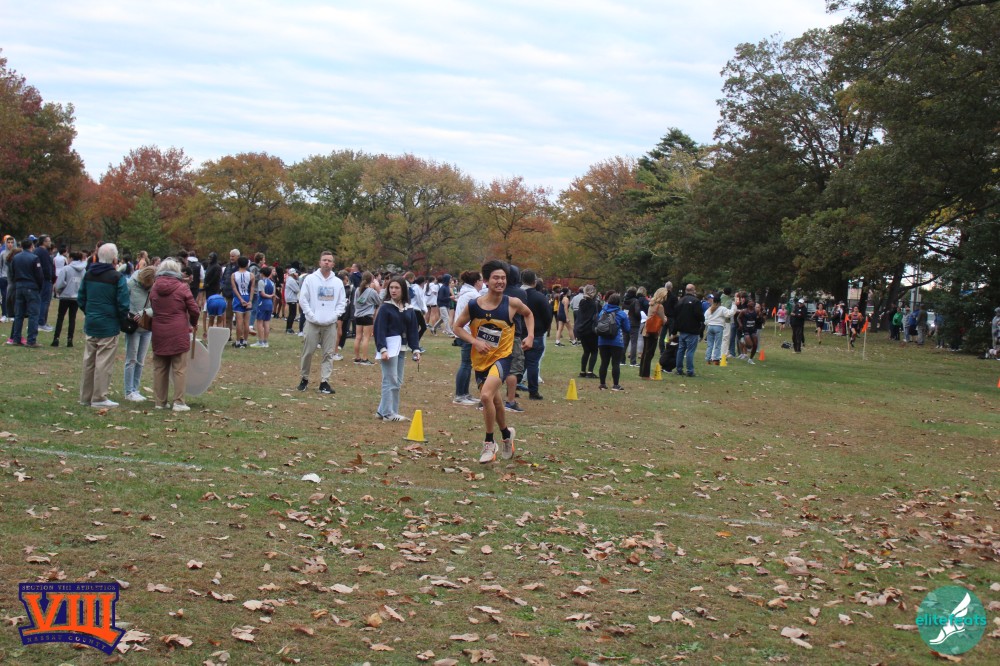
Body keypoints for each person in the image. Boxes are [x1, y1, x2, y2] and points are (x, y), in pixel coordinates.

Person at [452, 260, 534, 464]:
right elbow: (457, 327)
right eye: (496, 278)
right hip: (481, 360)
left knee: (486, 396)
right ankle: (506, 434)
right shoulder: (474, 305)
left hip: (503, 358)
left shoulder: (512, 303)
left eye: (503, 278)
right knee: (495, 402)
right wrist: (474, 341)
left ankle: (489, 442)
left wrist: (530, 335)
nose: (500, 281)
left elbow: (528, 314)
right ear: (487, 281)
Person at [78, 243, 129, 407]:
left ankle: (86, 396)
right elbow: (123, 303)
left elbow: (81, 298)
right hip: (108, 323)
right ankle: (99, 397)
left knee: (89, 360)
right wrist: (122, 320)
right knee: (103, 361)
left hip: (92, 321)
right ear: (114, 259)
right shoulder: (117, 277)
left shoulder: (89, 274)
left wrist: (89, 312)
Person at [149, 258, 199, 411]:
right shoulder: (182, 287)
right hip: (178, 331)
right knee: (179, 368)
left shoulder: (154, 287)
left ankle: (160, 402)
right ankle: (178, 402)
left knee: (160, 368)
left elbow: (152, 306)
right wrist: (193, 322)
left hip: (158, 331)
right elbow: (194, 309)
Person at [372, 276, 421, 422]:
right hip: (389, 349)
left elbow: (413, 330)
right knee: (390, 380)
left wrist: (416, 349)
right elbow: (379, 330)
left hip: (402, 348)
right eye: (391, 288)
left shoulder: (409, 308)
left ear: (403, 290)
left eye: (396, 288)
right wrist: (382, 349)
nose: (393, 290)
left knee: (397, 381)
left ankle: (382, 411)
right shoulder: (385, 308)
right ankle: (389, 413)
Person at [297, 251, 346, 394]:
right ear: (320, 262)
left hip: (330, 324)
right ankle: (304, 379)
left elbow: (342, 302)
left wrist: (334, 316)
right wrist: (311, 315)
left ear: (333, 264)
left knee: (328, 353)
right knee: (308, 352)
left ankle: (325, 382)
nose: (326, 262)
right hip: (312, 323)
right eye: (324, 260)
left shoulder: (337, 282)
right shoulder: (310, 279)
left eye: (329, 261)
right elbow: (303, 299)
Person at [123, 266, 155, 401]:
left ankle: (135, 389)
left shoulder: (155, 287)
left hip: (147, 327)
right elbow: (123, 301)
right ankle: (128, 391)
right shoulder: (131, 284)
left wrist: (145, 312)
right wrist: (128, 313)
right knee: (131, 359)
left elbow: (157, 305)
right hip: (134, 326)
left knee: (140, 360)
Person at [451, 270, 482, 406]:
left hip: (465, 332)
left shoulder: (466, 293)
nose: (482, 283)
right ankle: (459, 395)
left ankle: (465, 393)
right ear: (476, 282)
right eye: (481, 280)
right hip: (468, 333)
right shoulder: (473, 295)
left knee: (468, 364)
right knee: (465, 364)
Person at [521, 269, 552, 400]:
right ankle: (533, 391)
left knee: (517, 362)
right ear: (534, 282)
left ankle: (513, 387)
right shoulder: (540, 297)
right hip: (536, 333)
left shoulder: (516, 295)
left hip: (518, 332)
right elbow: (548, 316)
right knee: (533, 363)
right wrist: (543, 329)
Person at [9, 238, 43, 347]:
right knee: (33, 314)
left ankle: (16, 338)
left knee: (19, 314)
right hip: (31, 286)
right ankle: (31, 340)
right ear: (32, 246)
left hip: (19, 286)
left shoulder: (15, 258)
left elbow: (12, 272)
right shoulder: (34, 258)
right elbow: (39, 275)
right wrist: (39, 286)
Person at [51, 251, 87, 347]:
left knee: (60, 317)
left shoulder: (66, 268)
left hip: (65, 296)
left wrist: (59, 291)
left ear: (71, 258)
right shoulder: (83, 270)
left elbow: (60, 283)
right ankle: (70, 340)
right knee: (72, 318)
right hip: (76, 297)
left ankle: (56, 339)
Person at [595, 293, 629, 390]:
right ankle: (615, 385)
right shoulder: (621, 314)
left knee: (604, 362)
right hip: (616, 341)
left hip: (602, 341)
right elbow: (627, 329)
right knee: (615, 363)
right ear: (618, 302)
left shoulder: (602, 312)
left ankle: (602, 384)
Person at [674, 284, 705, 376]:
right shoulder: (696, 301)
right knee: (690, 351)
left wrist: (675, 329)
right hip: (692, 329)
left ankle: (679, 369)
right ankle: (690, 370)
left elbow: (676, 315)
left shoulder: (680, 301)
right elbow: (699, 315)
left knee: (681, 350)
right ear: (693, 290)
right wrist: (701, 320)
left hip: (682, 329)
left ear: (686, 290)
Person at [352, 271, 379, 364]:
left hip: (358, 316)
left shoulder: (357, 290)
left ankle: (357, 357)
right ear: (371, 280)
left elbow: (355, 303)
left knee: (358, 337)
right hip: (367, 316)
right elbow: (378, 302)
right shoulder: (372, 291)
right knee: (366, 337)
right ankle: (364, 358)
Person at [574, 284, 600, 378]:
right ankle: (590, 371)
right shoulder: (595, 304)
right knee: (594, 351)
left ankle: (582, 371)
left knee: (586, 351)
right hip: (591, 330)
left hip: (582, 329)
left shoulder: (582, 302)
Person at [640, 288, 666, 376]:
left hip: (647, 329)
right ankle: (645, 374)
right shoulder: (660, 306)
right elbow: (663, 320)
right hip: (653, 331)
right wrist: (665, 318)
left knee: (645, 352)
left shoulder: (651, 303)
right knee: (649, 353)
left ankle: (642, 372)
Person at [230, 257, 254, 349]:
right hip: (247, 297)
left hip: (238, 298)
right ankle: (245, 341)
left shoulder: (233, 275)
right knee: (246, 322)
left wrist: (240, 299)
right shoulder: (251, 275)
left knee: (239, 321)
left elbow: (234, 288)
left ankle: (237, 342)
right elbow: (252, 288)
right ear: (247, 264)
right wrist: (250, 300)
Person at [34, 234, 55, 332]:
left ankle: (41, 321)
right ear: (43, 242)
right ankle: (41, 322)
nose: (50, 242)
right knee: (44, 301)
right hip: (45, 280)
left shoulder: (37, 251)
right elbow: (47, 267)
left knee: (41, 301)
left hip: (40, 280)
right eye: (48, 241)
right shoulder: (43, 252)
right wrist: (50, 278)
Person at [702, 293, 731, 365]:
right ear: (720, 302)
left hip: (710, 327)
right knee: (718, 344)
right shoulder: (722, 308)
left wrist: (707, 323)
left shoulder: (709, 309)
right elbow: (728, 314)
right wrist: (734, 307)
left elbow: (705, 317)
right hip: (718, 327)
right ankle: (716, 359)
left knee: (710, 344)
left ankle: (708, 359)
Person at [201, 252, 222, 340]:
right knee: (207, 308)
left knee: (213, 311)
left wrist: (208, 284)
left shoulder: (217, 267)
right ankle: (206, 331)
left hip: (214, 289)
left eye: (211, 257)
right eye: (208, 257)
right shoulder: (209, 266)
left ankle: (215, 331)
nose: (209, 258)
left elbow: (216, 277)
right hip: (208, 290)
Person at [253, 266, 275, 348]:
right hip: (270, 303)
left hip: (262, 303)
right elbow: (273, 294)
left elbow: (262, 293)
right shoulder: (272, 283)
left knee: (259, 322)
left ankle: (260, 341)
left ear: (262, 273)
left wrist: (268, 296)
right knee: (267, 322)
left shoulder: (261, 281)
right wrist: (271, 297)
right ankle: (266, 341)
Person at [738, 299, 761, 363]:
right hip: (746, 330)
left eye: (753, 302)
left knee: (755, 344)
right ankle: (743, 342)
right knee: (750, 345)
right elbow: (738, 318)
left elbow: (759, 318)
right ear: (747, 304)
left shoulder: (756, 311)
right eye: (750, 302)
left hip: (753, 330)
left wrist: (760, 317)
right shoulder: (744, 311)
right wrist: (740, 324)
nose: (752, 303)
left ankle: (750, 359)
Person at [284, 268, 301, 334]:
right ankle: (289, 328)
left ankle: (288, 328)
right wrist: (297, 279)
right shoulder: (291, 280)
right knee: (292, 314)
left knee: (291, 314)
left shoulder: (289, 279)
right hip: (292, 299)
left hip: (290, 298)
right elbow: (297, 289)